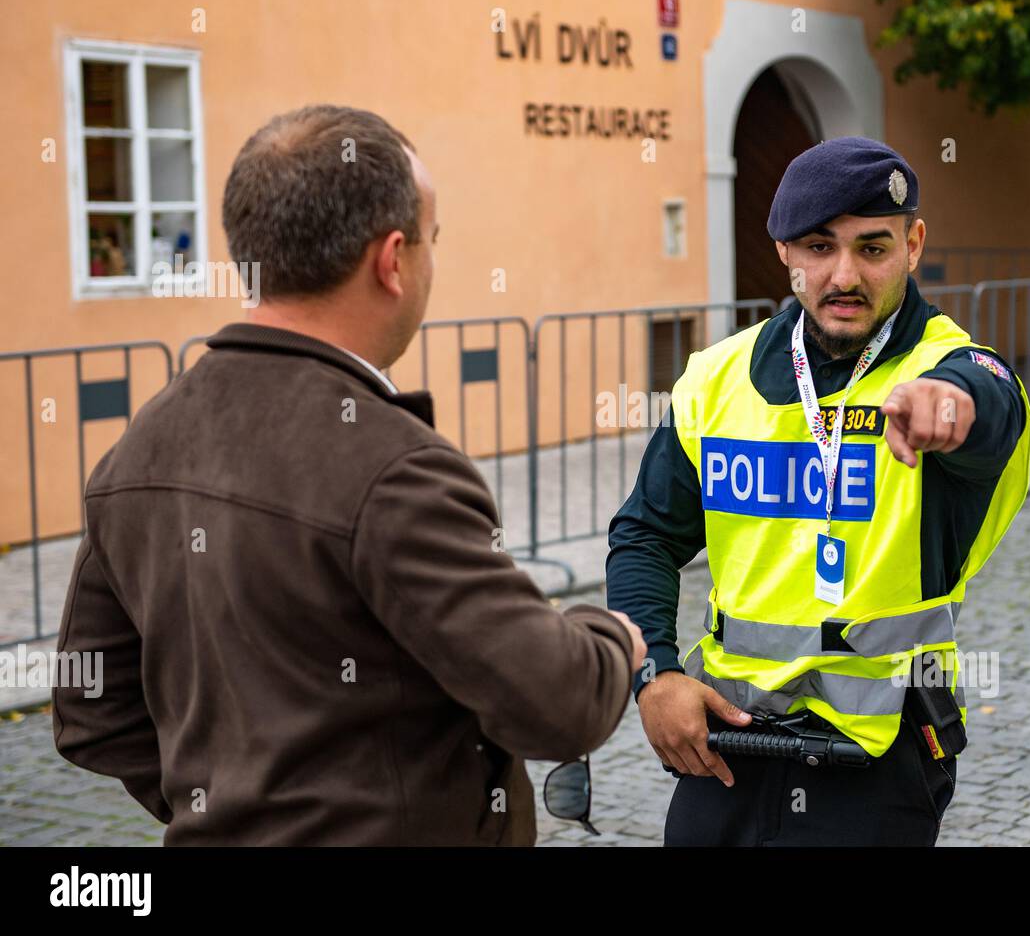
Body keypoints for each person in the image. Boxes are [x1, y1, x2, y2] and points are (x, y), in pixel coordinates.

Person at [52, 104, 645, 846]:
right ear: (392, 259)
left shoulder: (137, 447)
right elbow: (560, 706)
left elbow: (91, 712)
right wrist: (613, 634)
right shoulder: (395, 468)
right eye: (433, 241)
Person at [607, 137, 1030, 846]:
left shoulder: (950, 366)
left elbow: (988, 395)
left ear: (914, 243)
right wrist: (654, 674)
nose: (844, 275)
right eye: (818, 247)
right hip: (727, 747)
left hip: (879, 756)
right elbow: (645, 535)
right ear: (783, 251)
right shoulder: (717, 378)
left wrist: (950, 406)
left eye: (873, 248)